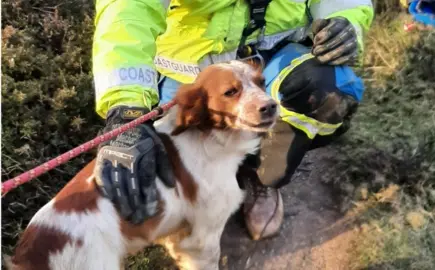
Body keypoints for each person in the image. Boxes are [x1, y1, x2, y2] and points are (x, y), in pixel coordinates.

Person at [92, 0, 374, 241]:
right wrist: (126, 107)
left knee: (328, 90)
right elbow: (128, 10)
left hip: (274, 59)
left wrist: (345, 22)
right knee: (150, 165)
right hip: (190, 71)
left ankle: (262, 177)